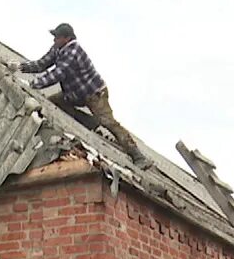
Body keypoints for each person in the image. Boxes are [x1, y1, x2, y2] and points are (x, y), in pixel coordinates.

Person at [9, 23, 150, 164]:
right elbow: (42, 64)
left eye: (57, 37)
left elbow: (57, 74)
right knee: (53, 103)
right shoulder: (58, 48)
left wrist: (32, 85)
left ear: (67, 38)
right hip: (74, 94)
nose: (54, 40)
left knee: (108, 122)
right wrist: (21, 67)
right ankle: (87, 122)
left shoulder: (73, 52)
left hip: (94, 94)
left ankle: (137, 155)